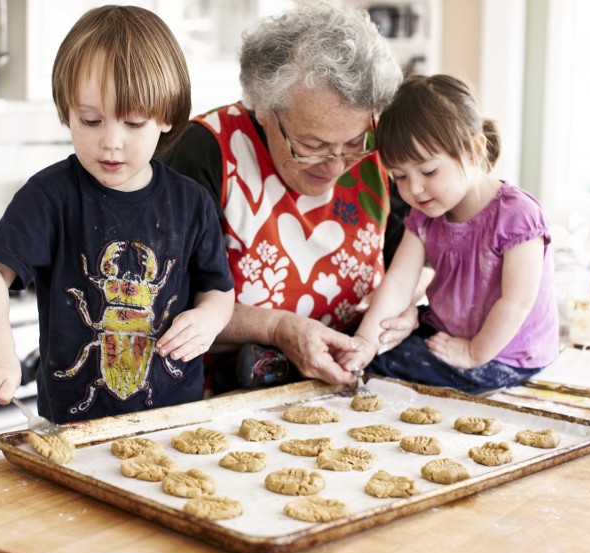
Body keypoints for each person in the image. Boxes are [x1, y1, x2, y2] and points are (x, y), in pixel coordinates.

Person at [0, 5, 235, 423]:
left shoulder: (192, 202)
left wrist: (208, 319)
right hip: (74, 428)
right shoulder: (49, 196)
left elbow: (217, 290)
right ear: (66, 112)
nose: (111, 141)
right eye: (90, 121)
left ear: (165, 117)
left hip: (175, 423)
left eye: (132, 122)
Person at [162, 3, 418, 390]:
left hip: (356, 389)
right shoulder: (206, 152)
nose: (335, 166)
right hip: (225, 399)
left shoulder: (381, 147)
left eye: (352, 143)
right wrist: (279, 328)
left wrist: (408, 308)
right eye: (311, 145)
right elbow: (167, 302)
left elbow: (418, 255)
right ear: (263, 107)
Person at [339, 74, 559, 394]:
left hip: (505, 352)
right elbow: (400, 280)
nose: (413, 189)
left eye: (428, 171)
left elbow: (517, 302)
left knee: (386, 370)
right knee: (366, 348)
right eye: (400, 177)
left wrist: (472, 352)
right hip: (449, 332)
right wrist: (366, 340)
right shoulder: (426, 216)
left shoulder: (517, 215)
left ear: (473, 150)